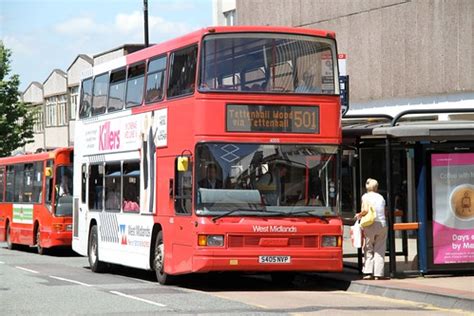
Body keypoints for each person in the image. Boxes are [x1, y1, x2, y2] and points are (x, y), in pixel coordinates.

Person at [355, 178, 388, 280]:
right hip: (382, 224)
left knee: (369, 248)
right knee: (380, 249)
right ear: (376, 187)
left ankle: (368, 272)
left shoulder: (365, 196)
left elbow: (365, 210)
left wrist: (359, 215)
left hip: (370, 224)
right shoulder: (381, 197)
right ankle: (378, 274)